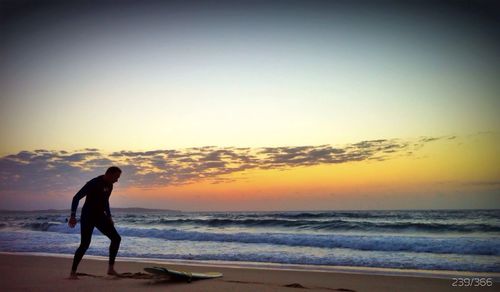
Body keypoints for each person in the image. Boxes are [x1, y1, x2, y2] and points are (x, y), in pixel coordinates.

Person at [68, 166, 122, 279]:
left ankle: (110, 269)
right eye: (116, 177)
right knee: (85, 244)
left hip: (100, 216)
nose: (117, 180)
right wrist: (73, 216)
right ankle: (73, 272)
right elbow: (76, 198)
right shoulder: (93, 183)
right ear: (109, 174)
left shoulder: (110, 185)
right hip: (88, 216)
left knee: (116, 238)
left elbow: (105, 201)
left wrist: (109, 216)